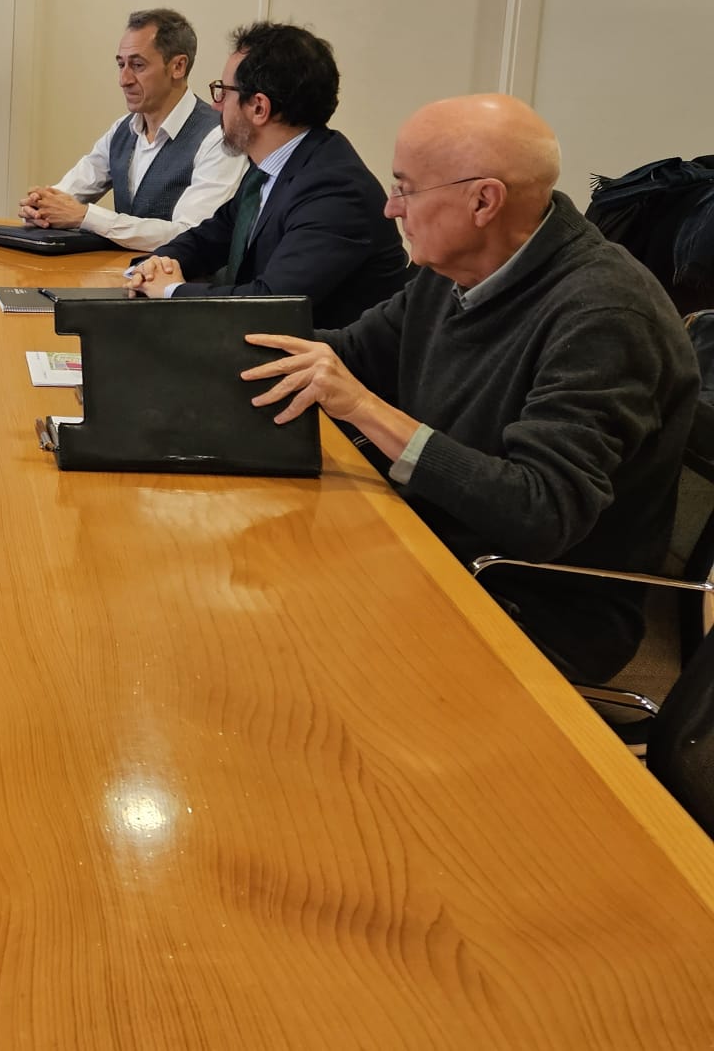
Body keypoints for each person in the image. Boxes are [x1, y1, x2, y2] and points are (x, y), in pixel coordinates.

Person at [240, 95, 700, 684]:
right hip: (430, 543)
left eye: (405, 188)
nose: (389, 208)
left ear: (483, 200)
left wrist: (363, 407)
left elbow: (540, 510)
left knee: (275, 653)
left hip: (530, 599)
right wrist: (182, 339)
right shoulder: (454, 271)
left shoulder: (605, 316)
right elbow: (348, 350)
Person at [124, 22, 407, 327]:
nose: (216, 104)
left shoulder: (336, 191)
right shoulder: (271, 166)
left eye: (223, 91)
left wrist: (171, 291)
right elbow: (213, 234)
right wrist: (158, 263)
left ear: (258, 107)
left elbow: (270, 303)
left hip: (321, 364)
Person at [18, 8, 244, 251]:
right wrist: (40, 207)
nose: (123, 79)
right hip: (120, 277)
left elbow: (190, 234)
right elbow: (68, 192)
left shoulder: (218, 138)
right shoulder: (122, 129)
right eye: (121, 65)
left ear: (178, 66)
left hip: (181, 285)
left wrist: (86, 216)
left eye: (137, 65)